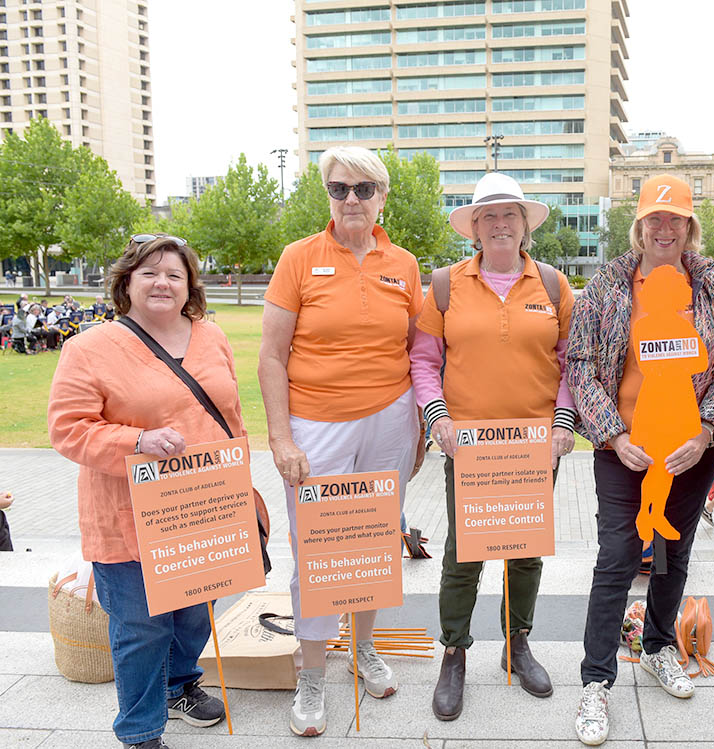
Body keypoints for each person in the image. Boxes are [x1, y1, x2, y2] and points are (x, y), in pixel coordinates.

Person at [258, 145, 425, 738]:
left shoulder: (403, 264)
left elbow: (414, 349)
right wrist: (280, 438)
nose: (350, 199)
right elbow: (271, 356)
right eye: (338, 189)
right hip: (316, 422)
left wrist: (419, 425)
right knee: (320, 549)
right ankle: (310, 674)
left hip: (390, 418)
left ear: (382, 195)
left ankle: (363, 647)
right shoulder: (298, 257)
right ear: (327, 195)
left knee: (376, 539)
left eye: (362, 189)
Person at [47, 234, 235, 749]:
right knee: (142, 627)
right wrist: (137, 440)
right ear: (126, 281)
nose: (163, 283)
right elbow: (68, 429)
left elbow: (229, 416)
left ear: (190, 285)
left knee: (195, 613)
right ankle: (140, 730)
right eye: (150, 272)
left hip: (203, 508)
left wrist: (238, 486)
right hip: (128, 515)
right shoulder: (88, 348)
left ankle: (179, 685)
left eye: (175, 274)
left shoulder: (211, 337)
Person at [568, 174, 714, 746]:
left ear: (690, 227)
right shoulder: (608, 286)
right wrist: (612, 435)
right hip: (625, 448)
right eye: (655, 219)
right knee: (617, 556)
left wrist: (708, 427)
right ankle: (595, 682)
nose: (665, 228)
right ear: (639, 228)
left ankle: (659, 646)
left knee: (674, 552)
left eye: (676, 219)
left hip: (690, 452)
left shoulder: (712, 289)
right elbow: (581, 364)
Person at [409, 171, 576, 721]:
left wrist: (563, 423)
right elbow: (425, 361)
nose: (500, 224)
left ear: (525, 225)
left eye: (510, 214)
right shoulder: (444, 285)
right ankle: (454, 651)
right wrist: (438, 419)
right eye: (488, 216)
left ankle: (517, 643)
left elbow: (571, 363)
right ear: (474, 229)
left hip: (534, 446)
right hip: (470, 447)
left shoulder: (553, 285)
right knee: (464, 552)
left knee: (525, 550)